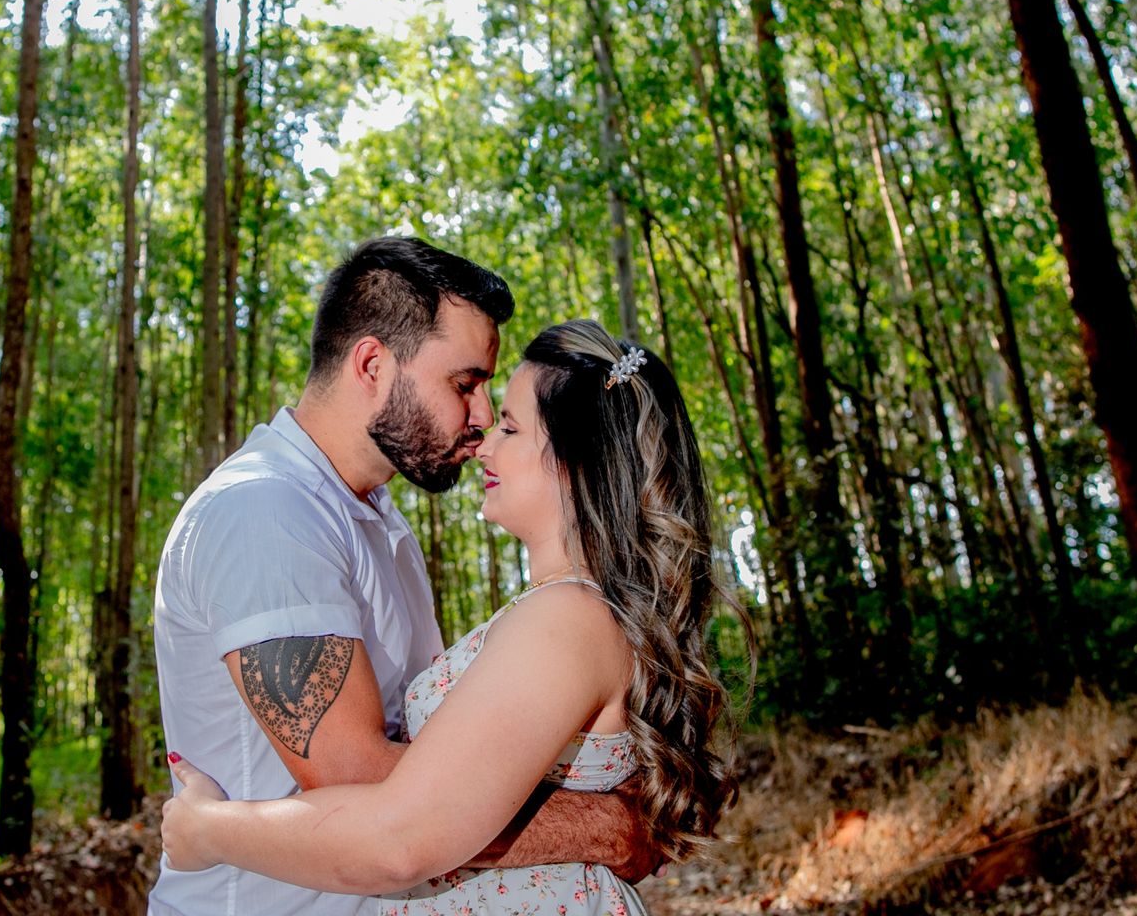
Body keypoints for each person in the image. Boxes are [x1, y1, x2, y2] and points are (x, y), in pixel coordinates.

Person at [160, 318, 741, 915]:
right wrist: (598, 824)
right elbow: (414, 792)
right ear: (371, 364)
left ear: (578, 459)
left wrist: (205, 829)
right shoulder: (265, 510)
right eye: (465, 384)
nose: (484, 433)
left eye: (511, 426)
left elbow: (404, 832)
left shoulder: (566, 618)